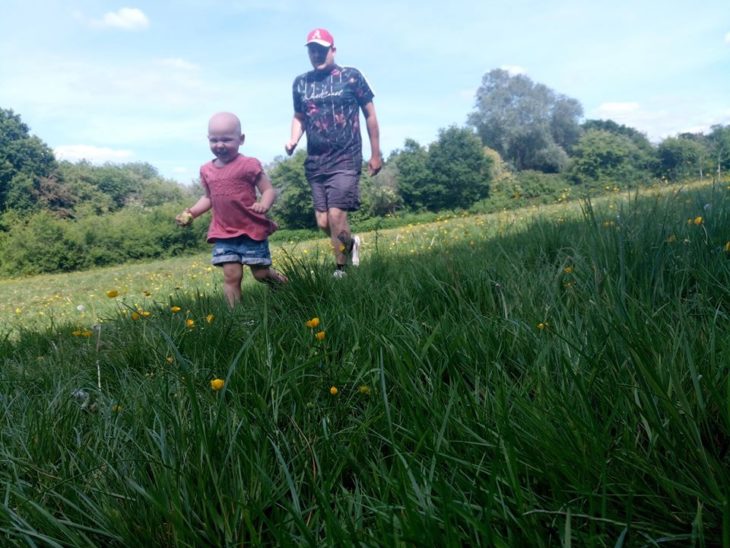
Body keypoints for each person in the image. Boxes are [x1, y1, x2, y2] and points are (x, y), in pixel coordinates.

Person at [285, 27, 381, 277]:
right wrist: (294, 138)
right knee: (324, 223)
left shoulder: (351, 77)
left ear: (333, 50)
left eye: (322, 50)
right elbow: (298, 116)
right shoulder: (301, 83)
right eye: (312, 50)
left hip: (346, 157)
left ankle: (341, 270)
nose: (317, 54)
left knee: (337, 213)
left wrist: (376, 153)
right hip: (316, 161)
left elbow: (370, 113)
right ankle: (351, 244)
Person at [177, 112, 287, 307]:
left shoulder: (248, 165)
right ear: (208, 140)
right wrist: (192, 212)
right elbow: (208, 197)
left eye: (226, 139)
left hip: (251, 229)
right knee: (231, 275)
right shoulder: (206, 170)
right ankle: (235, 316)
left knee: (261, 274)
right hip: (224, 231)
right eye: (214, 140)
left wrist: (264, 204)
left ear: (241, 139)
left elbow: (268, 189)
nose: (220, 145)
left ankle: (280, 283)